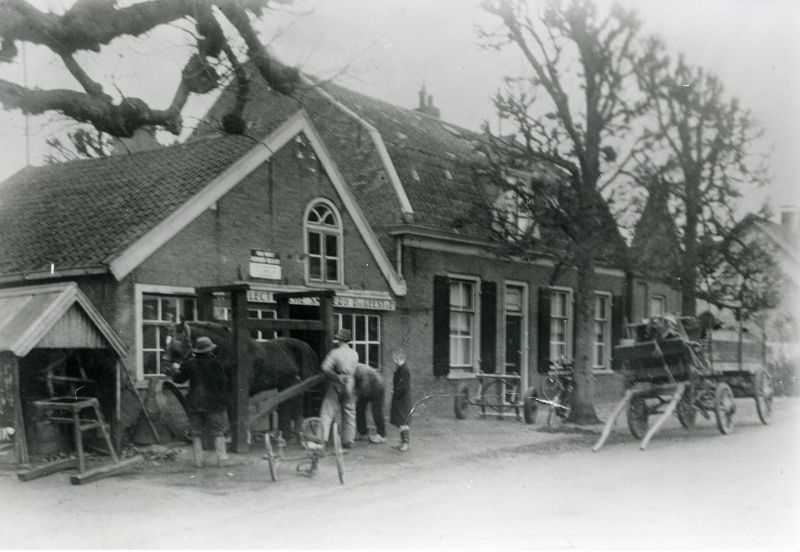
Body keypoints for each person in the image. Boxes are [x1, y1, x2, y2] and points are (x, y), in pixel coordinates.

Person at [167, 336, 229, 468]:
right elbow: (224, 382)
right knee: (218, 432)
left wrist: (174, 368)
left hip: (194, 403)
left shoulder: (189, 363)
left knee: (196, 434)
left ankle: (198, 462)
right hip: (214, 403)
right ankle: (222, 461)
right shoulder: (216, 363)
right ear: (209, 350)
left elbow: (178, 380)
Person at [318, 328, 358, 448]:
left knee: (327, 410)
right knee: (349, 412)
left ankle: (322, 440)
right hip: (350, 382)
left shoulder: (334, 353)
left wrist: (335, 376)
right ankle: (348, 441)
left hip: (337, 382)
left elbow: (324, 367)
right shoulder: (354, 354)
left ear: (339, 340)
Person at [354, 363, 387, 444]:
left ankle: (382, 435)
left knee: (376, 411)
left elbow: (365, 387)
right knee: (359, 408)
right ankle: (362, 432)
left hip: (377, 387)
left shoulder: (361, 371)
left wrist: (356, 392)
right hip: (367, 387)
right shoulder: (351, 368)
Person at [389, 349, 411, 452]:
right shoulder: (400, 368)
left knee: (403, 421)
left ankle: (405, 442)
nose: (393, 360)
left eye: (394, 358)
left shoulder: (404, 370)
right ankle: (402, 441)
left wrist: (395, 392)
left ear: (398, 358)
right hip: (399, 398)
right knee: (399, 420)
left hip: (402, 399)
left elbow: (404, 386)